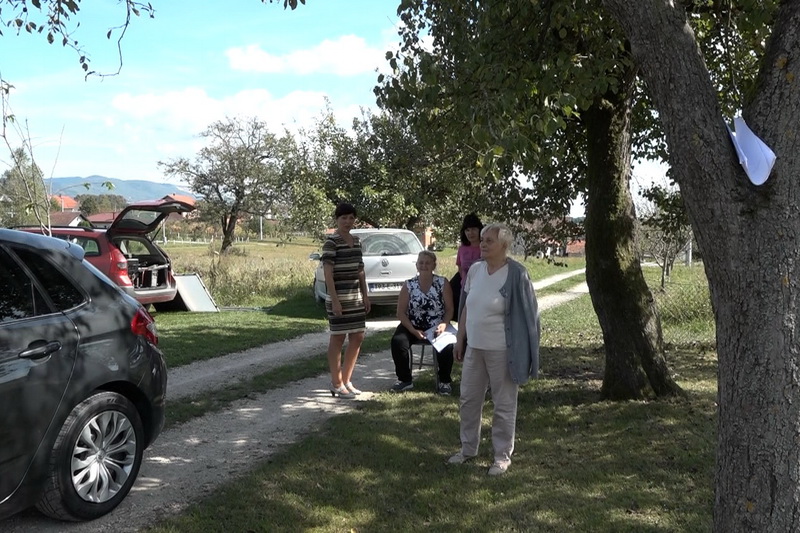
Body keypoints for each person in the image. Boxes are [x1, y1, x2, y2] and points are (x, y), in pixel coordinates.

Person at [448, 223, 540, 476]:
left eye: (489, 240)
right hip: (474, 348)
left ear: (504, 245)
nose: (483, 244)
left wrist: (528, 352)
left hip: (502, 351)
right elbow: (466, 307)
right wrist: (460, 339)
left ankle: (501, 457)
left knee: (503, 404)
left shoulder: (517, 274)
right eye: (483, 240)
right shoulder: (475, 270)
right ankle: (468, 449)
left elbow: (530, 316)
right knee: (468, 400)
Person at [322, 202, 371, 399]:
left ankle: (347, 380)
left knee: (358, 336)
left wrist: (365, 295)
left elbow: (360, 271)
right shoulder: (331, 243)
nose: (348, 221)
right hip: (338, 298)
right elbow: (328, 274)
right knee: (338, 337)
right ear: (337, 219)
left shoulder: (357, 241)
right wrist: (335, 301)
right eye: (344, 218)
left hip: (355, 298)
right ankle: (336, 383)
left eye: (351, 218)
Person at [390, 250, 456, 395]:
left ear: (434, 265)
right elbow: (400, 312)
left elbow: (450, 309)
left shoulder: (442, 282)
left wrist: (444, 324)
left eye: (427, 263)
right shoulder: (409, 285)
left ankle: (444, 381)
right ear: (417, 265)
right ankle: (405, 380)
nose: (424, 266)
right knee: (398, 341)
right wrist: (413, 330)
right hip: (413, 324)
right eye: (421, 263)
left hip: (437, 324)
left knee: (446, 345)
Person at [451, 213, 483, 312]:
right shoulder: (462, 249)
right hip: (465, 289)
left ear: (479, 230)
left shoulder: (485, 247)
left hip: (482, 288)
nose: (470, 233)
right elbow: (460, 268)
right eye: (467, 230)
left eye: (473, 229)